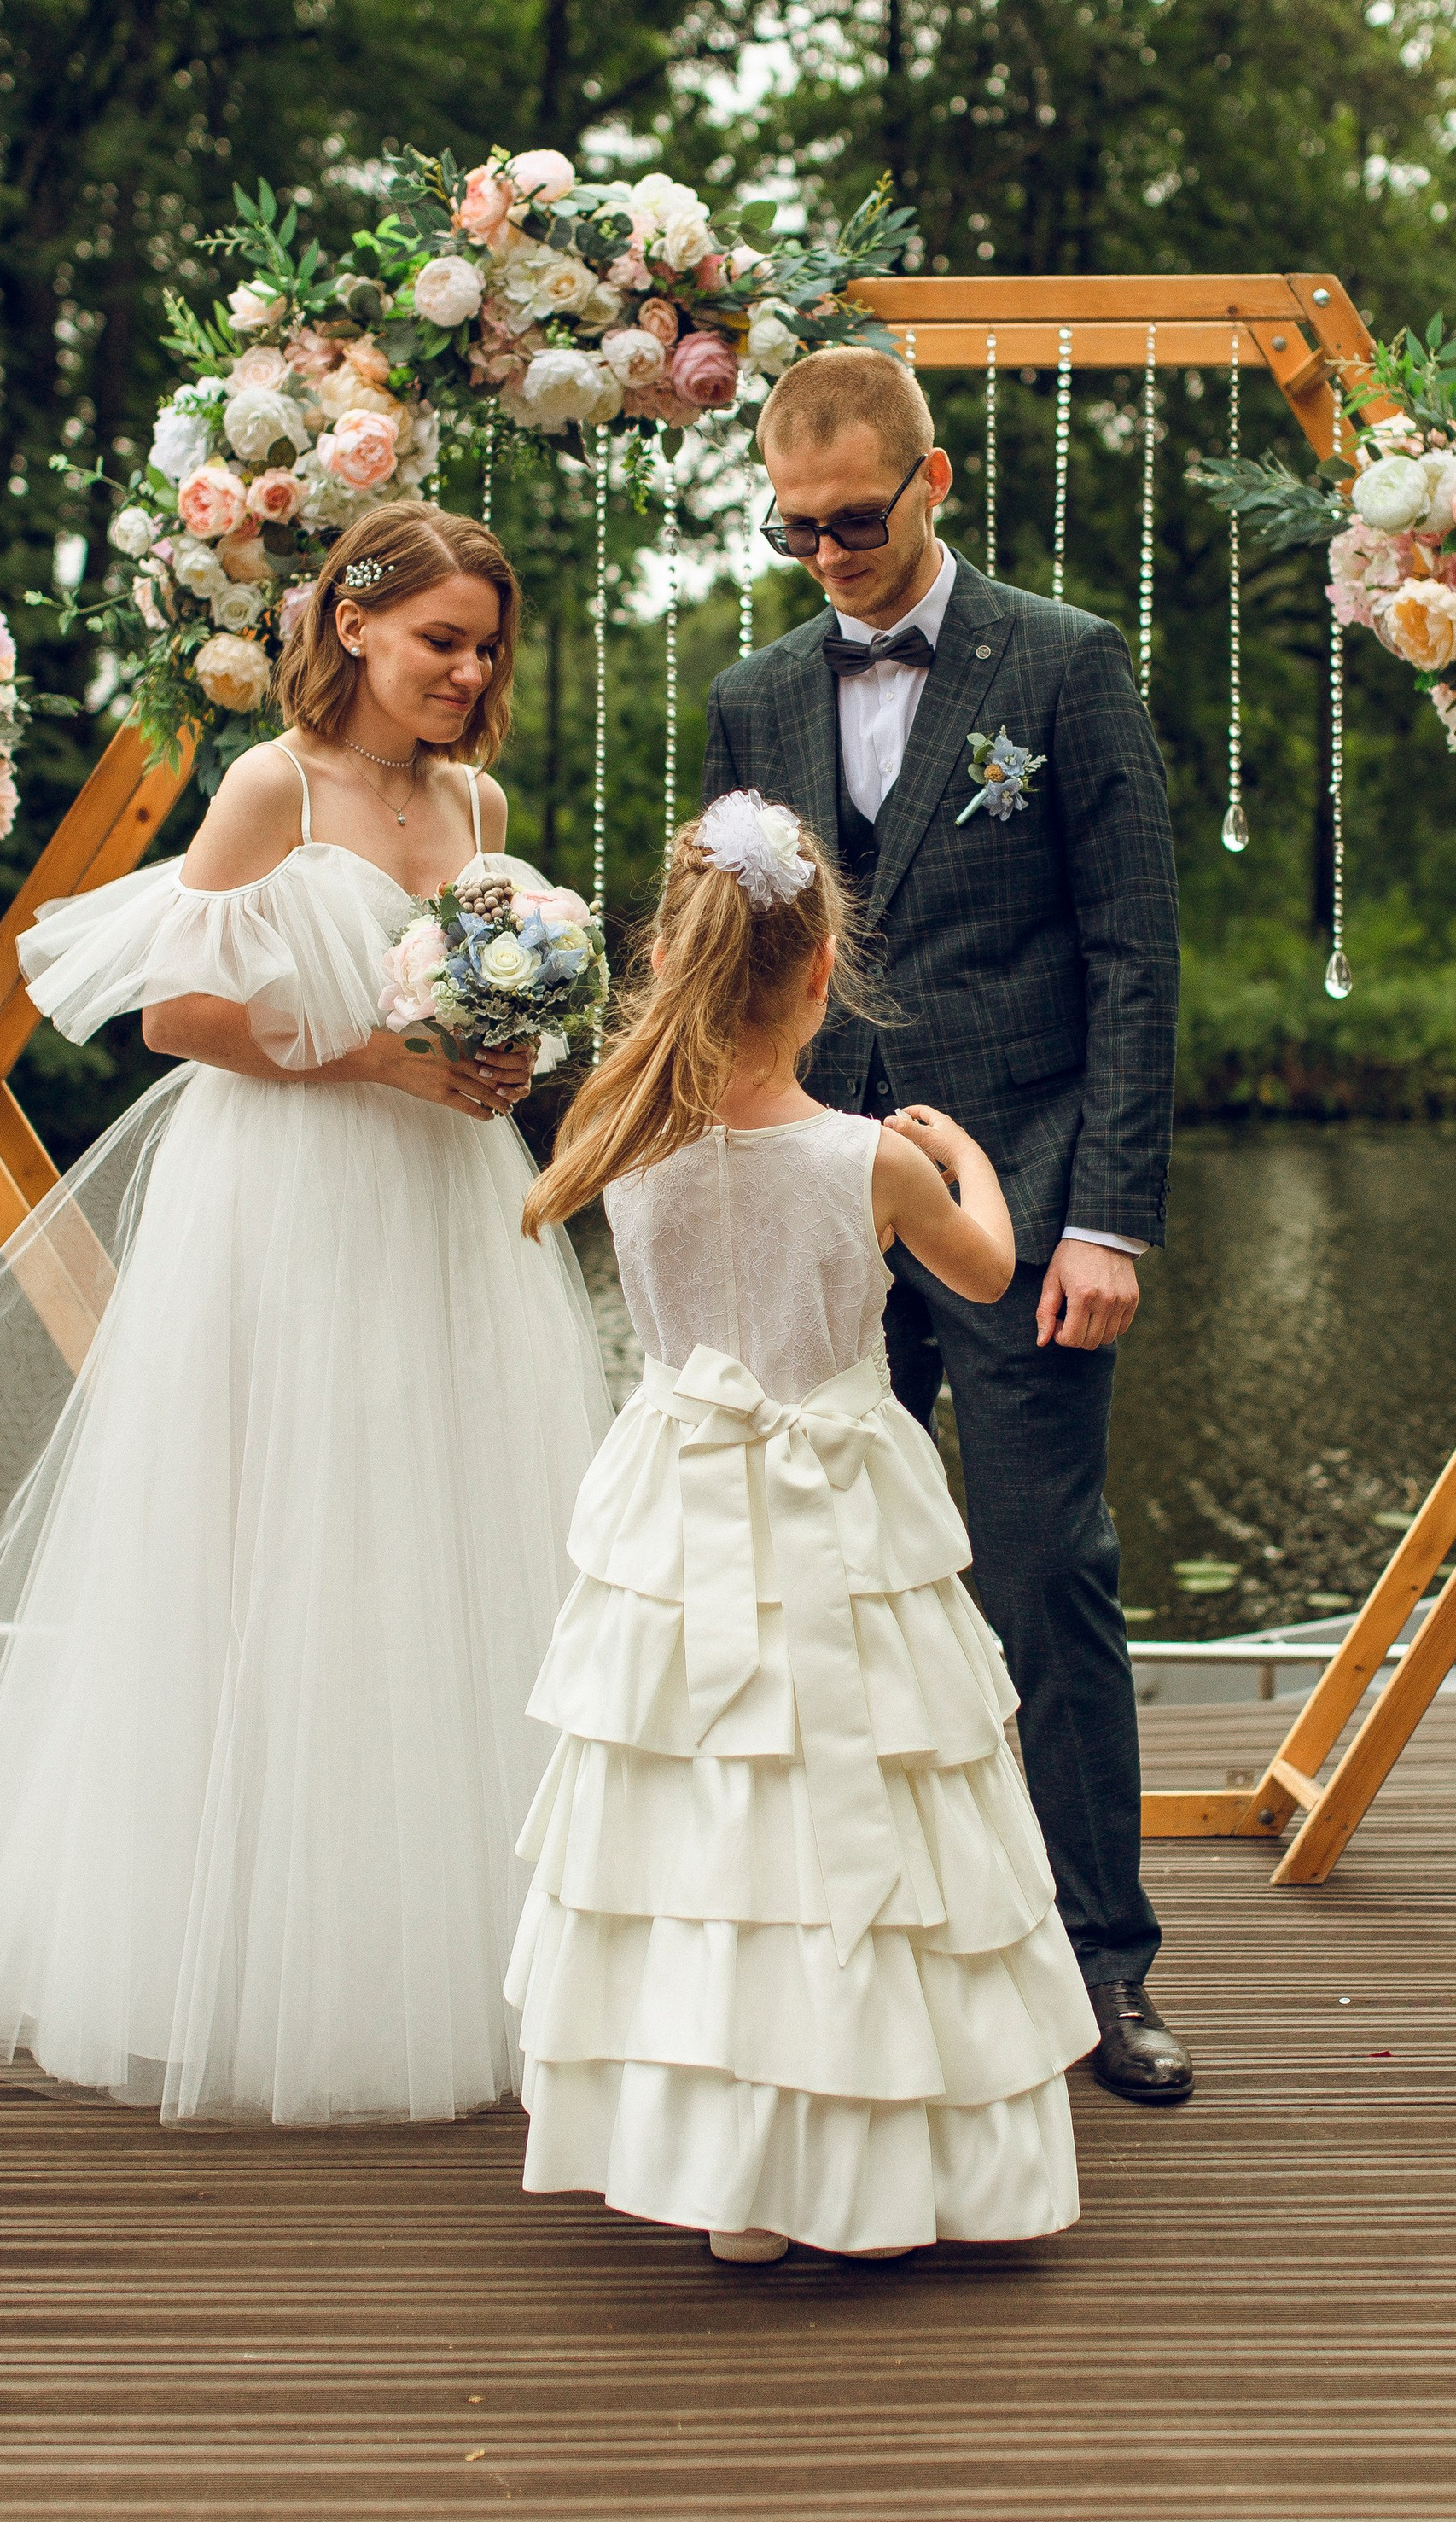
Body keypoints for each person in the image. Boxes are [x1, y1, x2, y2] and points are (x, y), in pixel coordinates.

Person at [0, 501, 609, 2126]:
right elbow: (176, 1010)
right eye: (444, 639)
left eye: (486, 646)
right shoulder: (274, 788)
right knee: (268, 1536)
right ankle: (225, 1955)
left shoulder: (480, 797)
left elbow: (479, 1000)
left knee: (438, 1537)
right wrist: (385, 1055)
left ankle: (448, 1946)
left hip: (443, 1205)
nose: (469, 669)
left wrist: (503, 1060)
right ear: (355, 626)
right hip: (294, 1192)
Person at [509, 794, 1098, 2263]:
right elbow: (989, 1267)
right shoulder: (869, 1159)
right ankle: (874, 2157)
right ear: (824, 970)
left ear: (672, 957)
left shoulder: (611, 1134)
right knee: (873, 1792)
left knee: (708, 1805)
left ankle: (729, 2171)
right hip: (838, 1496)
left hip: (676, 1487)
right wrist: (963, 1152)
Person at [701, 349, 1190, 2106]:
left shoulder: (1060, 662)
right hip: (819, 1192)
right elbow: (732, 962)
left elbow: (1135, 956)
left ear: (936, 480)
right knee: (826, 1576)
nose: (826, 552)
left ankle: (1099, 1962)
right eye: (794, 525)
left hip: (1031, 1182)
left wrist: (1109, 1220)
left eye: (853, 517)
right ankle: (869, 1953)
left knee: (1042, 1568)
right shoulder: (750, 692)